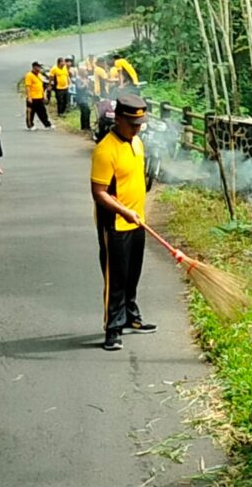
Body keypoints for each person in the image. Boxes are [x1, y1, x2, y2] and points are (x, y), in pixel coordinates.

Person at [90, 93, 157, 351]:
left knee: (132, 274)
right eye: (132, 124)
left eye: (140, 124)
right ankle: (113, 328)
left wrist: (137, 210)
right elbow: (99, 192)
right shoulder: (105, 150)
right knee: (116, 278)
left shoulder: (137, 142)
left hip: (137, 221)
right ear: (118, 119)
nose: (137, 128)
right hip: (115, 225)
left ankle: (131, 316)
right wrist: (125, 212)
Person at [25, 62, 53, 131]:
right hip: (32, 97)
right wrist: (29, 97)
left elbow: (41, 87)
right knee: (31, 113)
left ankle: (47, 124)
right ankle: (30, 125)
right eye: (38, 67)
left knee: (43, 112)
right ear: (34, 67)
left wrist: (44, 96)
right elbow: (28, 87)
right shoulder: (29, 75)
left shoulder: (39, 75)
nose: (40, 68)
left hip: (39, 97)